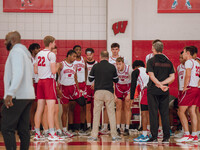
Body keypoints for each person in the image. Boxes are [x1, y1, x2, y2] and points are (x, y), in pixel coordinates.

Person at [1, 31, 35, 150]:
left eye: (6, 39)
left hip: (18, 96)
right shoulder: (26, 54)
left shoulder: (15, 52)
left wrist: (10, 93)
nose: (4, 42)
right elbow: (31, 75)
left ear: (14, 40)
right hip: (28, 95)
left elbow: (18, 73)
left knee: (6, 128)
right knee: (23, 129)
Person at [34, 36, 63, 141]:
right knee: (51, 108)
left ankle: (37, 133)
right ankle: (51, 133)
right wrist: (58, 66)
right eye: (54, 42)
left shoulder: (38, 54)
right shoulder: (51, 54)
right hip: (49, 82)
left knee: (39, 108)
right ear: (51, 43)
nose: (55, 44)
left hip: (40, 81)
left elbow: (36, 71)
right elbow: (54, 71)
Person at [88, 51, 121, 141]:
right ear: (108, 57)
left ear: (100, 56)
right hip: (109, 92)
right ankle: (114, 135)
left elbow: (90, 78)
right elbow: (116, 80)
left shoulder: (95, 66)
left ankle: (94, 135)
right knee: (111, 113)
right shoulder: (112, 67)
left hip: (98, 91)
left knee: (96, 114)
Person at [146, 41, 175, 143]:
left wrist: (159, 84)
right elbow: (172, 77)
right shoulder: (168, 62)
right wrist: (163, 84)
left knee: (153, 114)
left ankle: (154, 137)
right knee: (164, 114)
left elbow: (151, 75)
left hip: (153, 90)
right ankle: (166, 137)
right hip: (165, 91)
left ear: (154, 49)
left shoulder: (151, 61)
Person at [57, 49, 84, 138]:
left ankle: (75, 127)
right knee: (65, 109)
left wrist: (78, 89)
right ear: (68, 55)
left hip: (73, 88)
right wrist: (57, 89)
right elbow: (56, 77)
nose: (75, 58)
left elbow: (75, 78)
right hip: (64, 88)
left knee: (82, 103)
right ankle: (64, 130)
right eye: (73, 56)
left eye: (76, 57)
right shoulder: (61, 64)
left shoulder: (74, 66)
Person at [176, 46, 200, 143]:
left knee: (180, 111)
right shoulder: (197, 63)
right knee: (192, 111)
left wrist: (185, 86)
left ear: (188, 53)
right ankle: (194, 135)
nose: (183, 54)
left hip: (190, 88)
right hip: (197, 89)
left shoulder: (189, 62)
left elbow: (188, 74)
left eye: (184, 52)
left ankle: (186, 134)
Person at [68, 45, 87, 134]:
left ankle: (83, 127)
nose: (79, 51)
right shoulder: (72, 60)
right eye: (76, 50)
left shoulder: (84, 60)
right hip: (74, 85)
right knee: (72, 106)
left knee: (83, 106)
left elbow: (86, 69)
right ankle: (71, 127)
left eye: (80, 50)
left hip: (83, 84)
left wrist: (86, 81)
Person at [131, 60, 150, 142]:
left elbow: (133, 85)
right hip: (155, 91)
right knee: (150, 113)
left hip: (146, 91)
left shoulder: (136, 71)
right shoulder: (148, 70)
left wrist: (132, 98)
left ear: (135, 67)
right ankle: (150, 133)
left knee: (144, 113)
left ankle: (145, 134)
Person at [115, 57, 132, 136]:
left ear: (123, 63)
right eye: (117, 64)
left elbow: (135, 81)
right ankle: (118, 128)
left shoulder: (129, 69)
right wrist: (114, 94)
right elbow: (112, 82)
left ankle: (127, 128)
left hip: (128, 87)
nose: (118, 66)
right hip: (118, 87)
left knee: (127, 106)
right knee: (118, 106)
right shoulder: (115, 69)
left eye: (120, 64)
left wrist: (130, 94)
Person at [28, 43, 40, 136]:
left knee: (39, 107)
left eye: (39, 48)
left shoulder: (38, 58)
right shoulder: (28, 58)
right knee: (33, 107)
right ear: (32, 50)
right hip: (32, 83)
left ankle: (37, 127)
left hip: (39, 82)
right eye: (36, 49)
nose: (38, 50)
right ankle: (32, 127)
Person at [85, 48, 97, 134]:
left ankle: (95, 126)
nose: (89, 57)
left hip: (95, 87)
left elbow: (99, 75)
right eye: (87, 55)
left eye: (90, 55)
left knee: (96, 107)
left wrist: (95, 83)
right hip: (86, 86)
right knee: (88, 107)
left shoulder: (96, 64)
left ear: (93, 54)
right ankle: (88, 126)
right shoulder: (84, 64)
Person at [174, 51, 186, 138]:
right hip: (181, 91)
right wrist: (179, 90)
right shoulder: (178, 67)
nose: (180, 59)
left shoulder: (190, 65)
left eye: (181, 57)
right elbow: (178, 79)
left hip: (188, 90)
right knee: (180, 111)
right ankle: (183, 130)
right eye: (179, 57)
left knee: (188, 111)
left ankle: (190, 132)